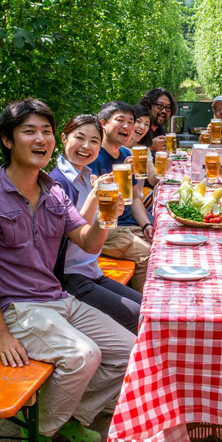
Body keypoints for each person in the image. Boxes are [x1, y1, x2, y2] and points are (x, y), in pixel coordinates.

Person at [0, 98, 134, 442]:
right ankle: (38, 433)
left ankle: (70, 417)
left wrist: (105, 215)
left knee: (130, 350)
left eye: (46, 131)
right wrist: (0, 335)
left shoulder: (55, 193)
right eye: (29, 132)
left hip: (58, 298)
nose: (41, 139)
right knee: (83, 355)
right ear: (8, 140)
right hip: (19, 308)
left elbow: (86, 243)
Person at [50, 114, 143, 334]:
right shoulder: (58, 183)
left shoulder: (86, 176)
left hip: (92, 271)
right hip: (70, 279)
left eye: (94, 141)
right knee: (141, 318)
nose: (86, 146)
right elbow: (73, 234)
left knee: (148, 307)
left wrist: (113, 207)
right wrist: (96, 199)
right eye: (79, 138)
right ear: (64, 138)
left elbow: (100, 226)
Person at [88, 101, 153, 292]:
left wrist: (147, 225)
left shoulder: (126, 154)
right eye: (120, 120)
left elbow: (133, 198)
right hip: (105, 229)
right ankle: (143, 310)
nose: (127, 126)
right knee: (147, 255)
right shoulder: (93, 156)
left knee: (163, 242)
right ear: (103, 124)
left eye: (131, 121)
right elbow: (93, 199)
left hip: (128, 225)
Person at [138, 87, 176, 154]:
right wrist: (151, 146)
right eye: (160, 106)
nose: (164, 111)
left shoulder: (160, 129)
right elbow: (126, 149)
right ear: (149, 106)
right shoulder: (140, 126)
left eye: (168, 108)